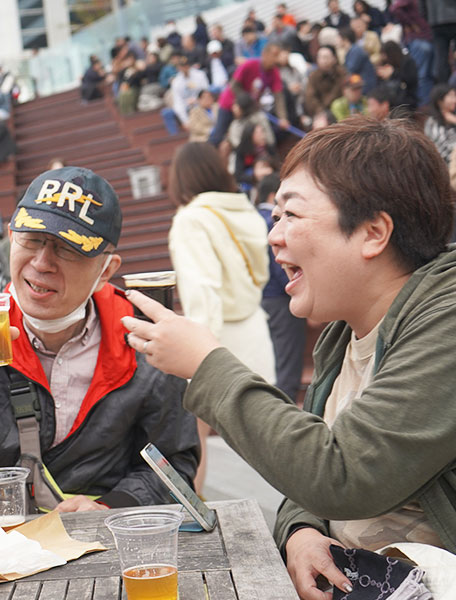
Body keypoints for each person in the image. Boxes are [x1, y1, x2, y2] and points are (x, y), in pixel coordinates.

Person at [123, 117, 456, 599]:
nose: (273, 237)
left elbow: (341, 473)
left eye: (291, 216)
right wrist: (301, 532)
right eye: (274, 217)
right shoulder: (343, 333)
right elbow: (305, 477)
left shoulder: (445, 324)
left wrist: (206, 364)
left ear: (373, 232)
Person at [0, 167, 199, 520]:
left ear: (106, 271)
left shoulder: (144, 342)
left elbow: (174, 466)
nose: (42, 263)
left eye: (69, 250)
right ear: (10, 237)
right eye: (32, 239)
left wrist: (111, 505)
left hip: (106, 548)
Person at [167, 142, 276, 492]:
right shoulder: (246, 213)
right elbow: (259, 275)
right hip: (253, 328)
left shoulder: (191, 219)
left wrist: (198, 355)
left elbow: (203, 292)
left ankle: (197, 516)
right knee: (266, 440)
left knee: (191, 436)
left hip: (214, 337)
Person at [255, 173, 306, 403]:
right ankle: (286, 406)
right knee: (288, 359)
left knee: (277, 357)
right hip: (281, 295)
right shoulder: (271, 221)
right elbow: (279, 264)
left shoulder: (253, 217)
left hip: (264, 297)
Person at [209, 43, 290, 147]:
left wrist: (282, 117)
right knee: (218, 135)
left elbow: (278, 96)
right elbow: (234, 86)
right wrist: (244, 102)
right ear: (264, 54)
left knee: (262, 130)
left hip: (249, 108)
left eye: (277, 56)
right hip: (230, 103)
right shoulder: (250, 64)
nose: (276, 59)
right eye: (274, 55)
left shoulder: (274, 73)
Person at [423, 83, 456, 165]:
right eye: (451, 96)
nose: (454, 100)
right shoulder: (433, 123)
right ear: (440, 101)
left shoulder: (452, 117)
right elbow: (442, 150)